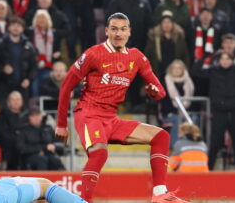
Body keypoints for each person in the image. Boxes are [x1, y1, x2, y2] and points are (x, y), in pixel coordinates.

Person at [55, 12, 188, 203]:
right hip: (88, 114)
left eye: (123, 29)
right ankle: (84, 201)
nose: (118, 33)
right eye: (114, 29)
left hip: (111, 118)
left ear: (129, 32)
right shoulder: (93, 54)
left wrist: (154, 92)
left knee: (161, 136)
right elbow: (66, 85)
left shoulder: (137, 57)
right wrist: (61, 123)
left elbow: (160, 91)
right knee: (100, 152)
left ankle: (159, 193)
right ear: (107, 31)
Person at [191, 52, 235, 170]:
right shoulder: (213, 71)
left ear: (232, 60)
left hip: (234, 110)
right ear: (218, 60)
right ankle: (209, 169)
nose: (225, 61)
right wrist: (204, 57)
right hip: (218, 111)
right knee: (215, 141)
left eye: (228, 58)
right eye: (223, 59)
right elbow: (195, 72)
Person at [0, 17, 37, 103]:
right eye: (13, 25)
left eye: (19, 26)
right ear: (8, 27)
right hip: (4, 84)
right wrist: (3, 68)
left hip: (22, 84)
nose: (16, 28)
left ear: (23, 29)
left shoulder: (29, 46)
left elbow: (34, 66)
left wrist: (29, 79)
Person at [25, 9, 62, 97]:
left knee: (45, 86)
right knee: (34, 86)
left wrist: (57, 53)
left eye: (43, 18)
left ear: (47, 19)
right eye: (39, 18)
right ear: (35, 20)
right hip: (34, 64)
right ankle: (36, 105)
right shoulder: (30, 31)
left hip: (48, 64)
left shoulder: (53, 33)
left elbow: (57, 48)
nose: (41, 20)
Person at [159, 60, 194, 147]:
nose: (177, 70)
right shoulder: (164, 83)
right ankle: (174, 148)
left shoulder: (189, 82)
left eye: (179, 68)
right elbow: (163, 104)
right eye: (174, 68)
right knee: (177, 119)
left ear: (183, 70)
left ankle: (191, 146)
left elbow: (192, 103)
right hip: (169, 114)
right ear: (170, 70)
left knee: (195, 118)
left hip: (185, 113)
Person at [144, 11, 190, 76]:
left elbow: (185, 56)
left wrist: (184, 71)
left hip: (175, 73)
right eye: (164, 22)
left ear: (173, 24)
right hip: (158, 73)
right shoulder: (154, 38)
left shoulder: (179, 38)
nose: (167, 24)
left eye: (169, 22)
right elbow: (147, 56)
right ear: (161, 24)